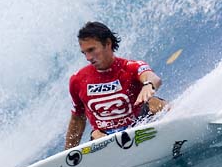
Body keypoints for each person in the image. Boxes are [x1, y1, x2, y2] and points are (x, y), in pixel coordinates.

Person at [65, 21, 168, 149]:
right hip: (106, 138)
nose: (88, 57)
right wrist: (67, 155)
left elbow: (153, 78)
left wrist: (148, 85)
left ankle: (178, 128)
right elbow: (77, 118)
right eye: (84, 52)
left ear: (108, 43)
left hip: (140, 125)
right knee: (97, 135)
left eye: (91, 50)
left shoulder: (130, 67)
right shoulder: (77, 80)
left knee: (155, 103)